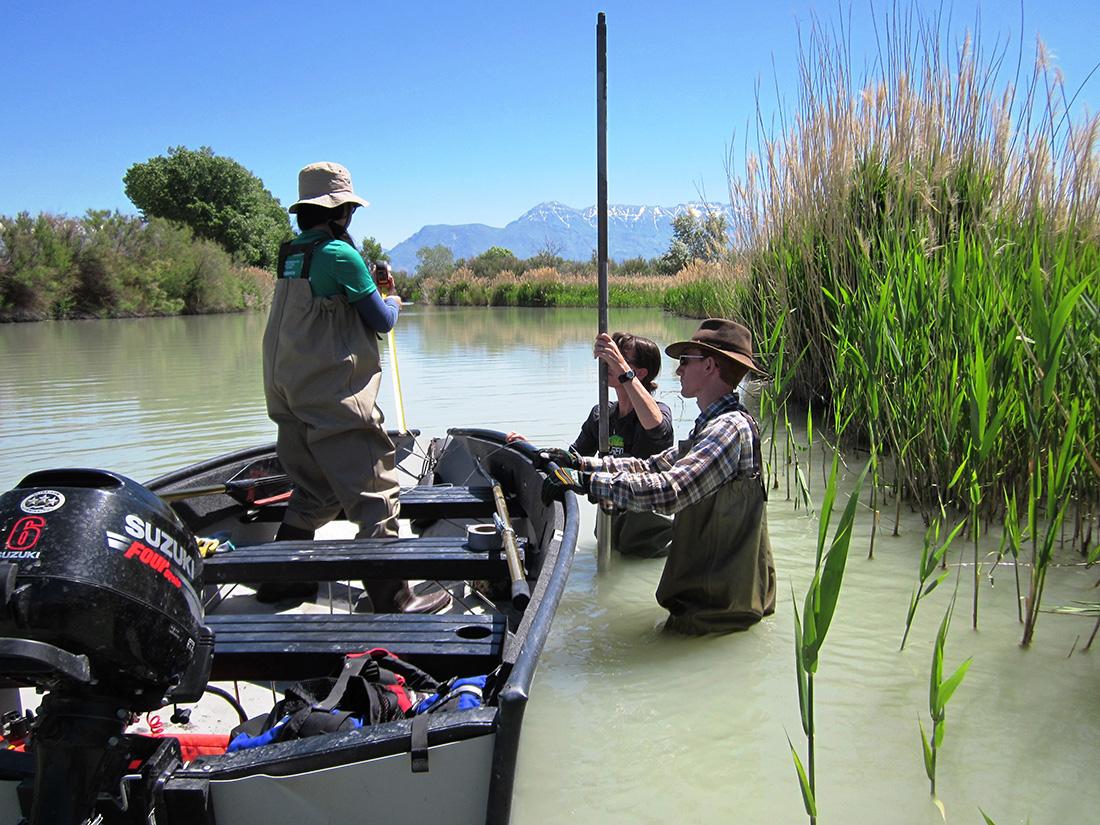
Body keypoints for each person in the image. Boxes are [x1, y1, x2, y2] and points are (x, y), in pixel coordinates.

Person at [260, 161, 449, 614]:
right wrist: (393, 299)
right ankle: (394, 598)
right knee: (378, 493)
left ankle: (281, 582)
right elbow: (380, 321)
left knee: (314, 492)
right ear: (341, 211)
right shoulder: (340, 256)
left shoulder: (290, 253)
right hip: (333, 397)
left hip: (288, 392)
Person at [542, 318, 776, 634]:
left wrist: (585, 483)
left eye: (684, 361)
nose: (677, 370)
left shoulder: (729, 429)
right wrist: (581, 466)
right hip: (708, 604)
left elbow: (671, 491)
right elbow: (653, 466)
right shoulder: (711, 426)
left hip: (717, 614)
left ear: (708, 366)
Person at [569, 332, 675, 557]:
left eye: (618, 359)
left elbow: (655, 427)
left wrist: (622, 370)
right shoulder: (602, 414)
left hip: (650, 544)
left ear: (639, 373)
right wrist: (535, 452)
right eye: (609, 359)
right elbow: (573, 460)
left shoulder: (659, 412)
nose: (608, 364)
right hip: (610, 534)